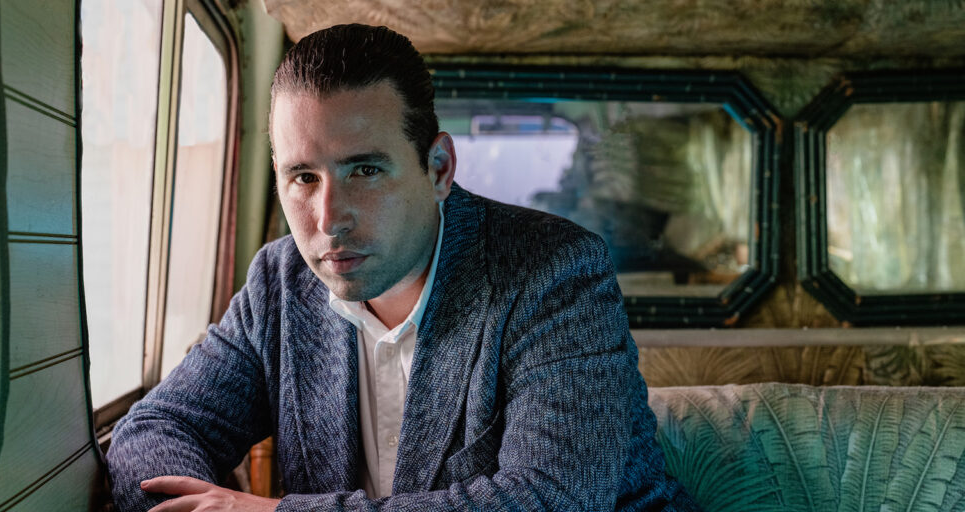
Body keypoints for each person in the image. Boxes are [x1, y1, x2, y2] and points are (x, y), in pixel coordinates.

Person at [107, 23, 699, 512]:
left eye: (364, 170)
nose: (329, 218)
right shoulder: (279, 283)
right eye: (303, 177)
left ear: (439, 168)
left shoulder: (555, 272)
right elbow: (153, 432)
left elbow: (548, 500)